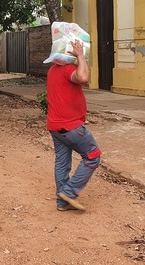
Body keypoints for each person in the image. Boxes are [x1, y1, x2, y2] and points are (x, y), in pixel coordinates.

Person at [46, 39, 101, 211]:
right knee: (93, 155)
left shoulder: (52, 70)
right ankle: (69, 193)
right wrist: (81, 56)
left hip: (55, 126)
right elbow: (83, 77)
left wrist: (78, 59)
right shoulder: (68, 70)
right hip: (70, 126)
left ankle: (62, 202)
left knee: (62, 163)